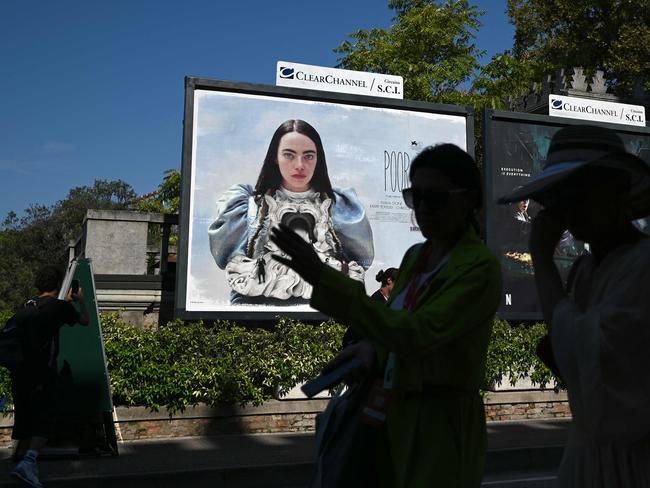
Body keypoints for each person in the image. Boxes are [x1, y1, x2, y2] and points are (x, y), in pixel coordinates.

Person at [271, 143, 502, 487]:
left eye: (434, 197)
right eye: (415, 196)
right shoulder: (415, 257)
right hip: (392, 414)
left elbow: (417, 334)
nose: (422, 208)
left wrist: (322, 277)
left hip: (440, 424)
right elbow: (398, 325)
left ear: (468, 200)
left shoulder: (480, 267)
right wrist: (372, 351)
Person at [498, 124, 650, 487]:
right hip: (586, 462)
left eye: (579, 193)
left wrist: (542, 258)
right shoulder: (586, 270)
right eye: (559, 196)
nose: (566, 208)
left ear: (615, 191)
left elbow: (590, 355)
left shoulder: (642, 266)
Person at [208, 119, 374, 305]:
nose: (300, 165)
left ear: (318, 159)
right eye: (289, 155)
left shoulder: (339, 205)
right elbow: (230, 261)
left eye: (308, 156)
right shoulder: (247, 204)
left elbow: (361, 261)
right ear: (275, 157)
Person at [10, 266, 89, 488]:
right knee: (45, 420)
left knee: (26, 418)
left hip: (20, 372)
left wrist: (65, 302)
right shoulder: (58, 308)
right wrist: (81, 300)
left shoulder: (28, 305)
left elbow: (54, 310)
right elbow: (85, 320)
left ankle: (24, 465)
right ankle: (28, 463)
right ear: (57, 285)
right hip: (42, 373)